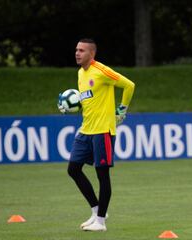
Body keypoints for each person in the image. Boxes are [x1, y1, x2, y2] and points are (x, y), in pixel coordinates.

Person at [59, 38, 135, 231]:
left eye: (82, 50)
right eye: (76, 49)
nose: (77, 53)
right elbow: (89, 100)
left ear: (91, 54)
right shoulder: (80, 73)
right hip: (85, 130)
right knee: (73, 169)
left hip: (103, 131)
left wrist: (122, 109)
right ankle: (96, 210)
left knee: (102, 175)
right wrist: (69, 107)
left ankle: (100, 222)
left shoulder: (102, 71)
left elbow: (129, 85)